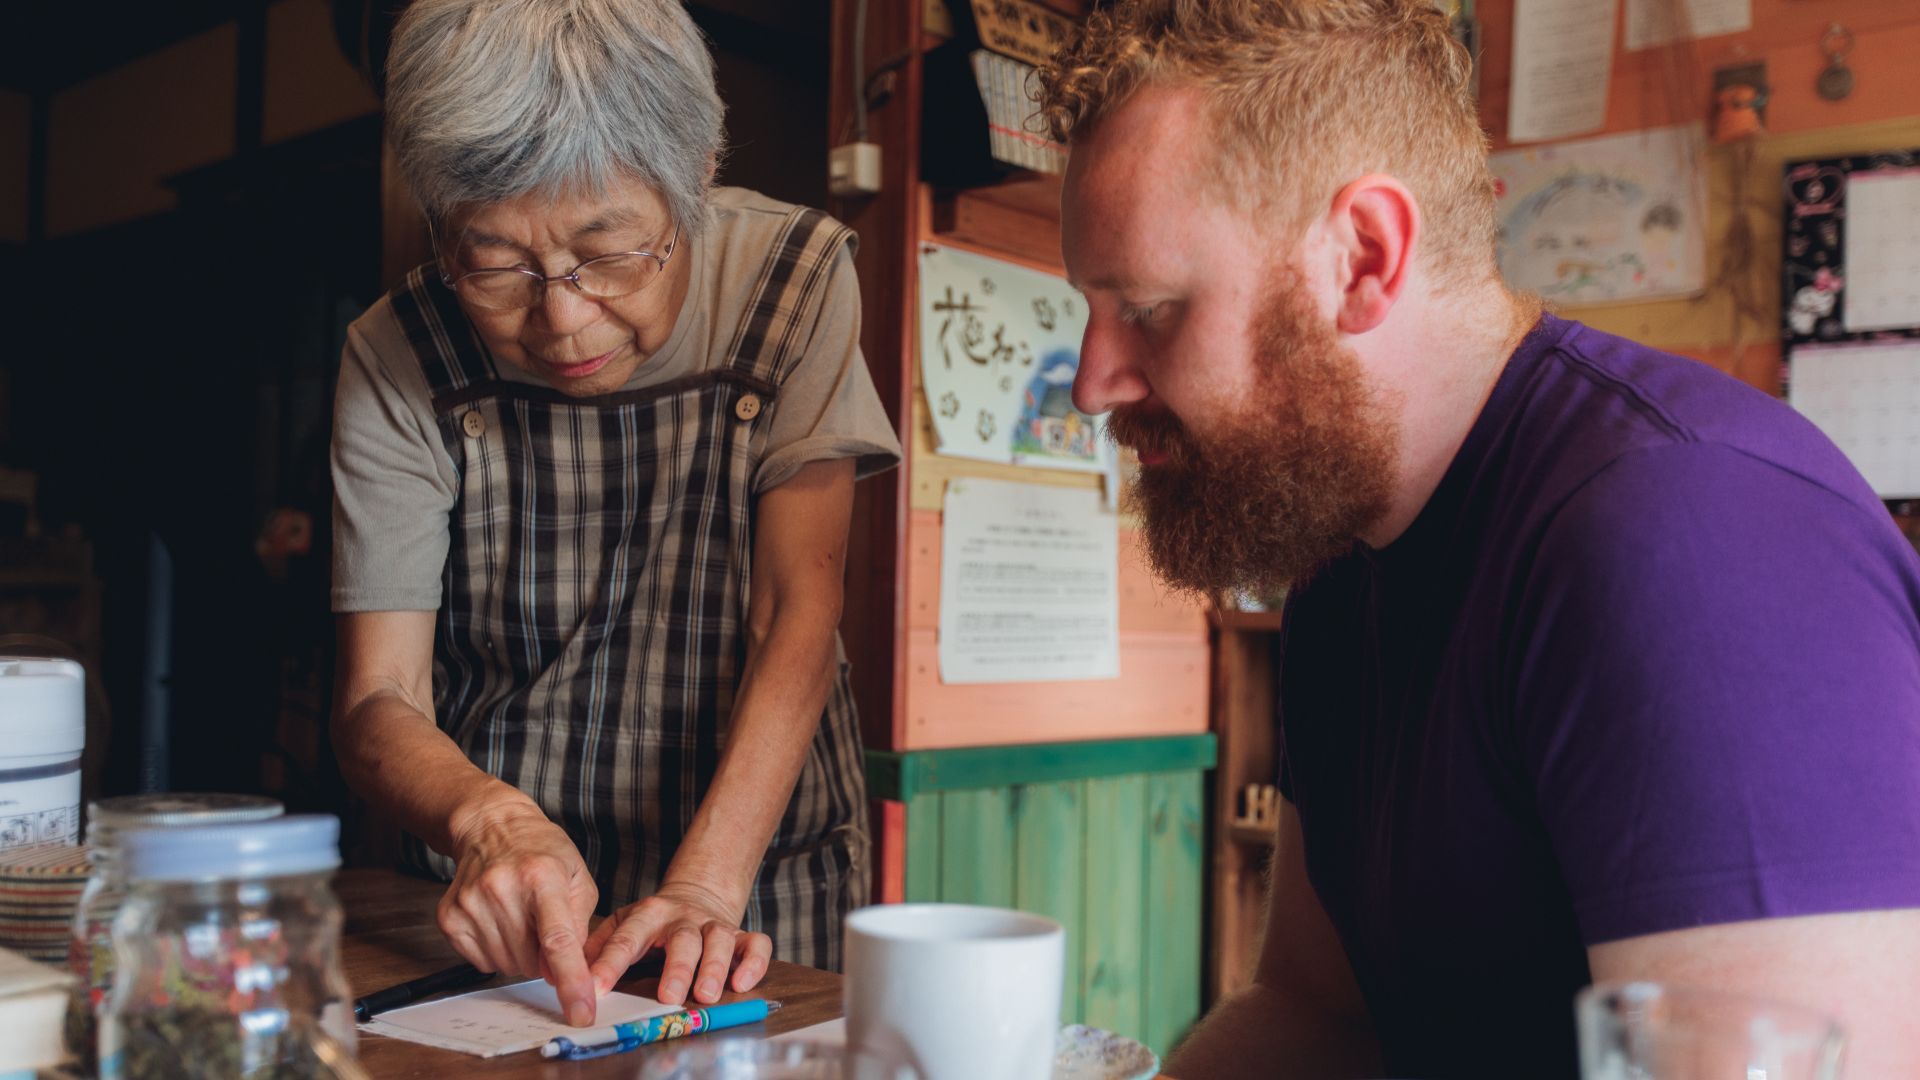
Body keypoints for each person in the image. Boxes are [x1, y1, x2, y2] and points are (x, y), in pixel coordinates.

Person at [1036, 1, 1920, 1076]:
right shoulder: (1338, 573)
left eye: (1152, 309)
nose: (1094, 383)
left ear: (1363, 256)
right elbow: (1316, 1013)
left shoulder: (1689, 537)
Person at [329, 0, 900, 1028]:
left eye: (610, 250)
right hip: (494, 891)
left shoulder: (794, 279)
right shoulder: (395, 352)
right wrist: (491, 823)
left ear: (701, 167)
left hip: (751, 867)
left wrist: (707, 888)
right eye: (495, 264)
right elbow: (381, 697)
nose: (561, 316)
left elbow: (797, 615)